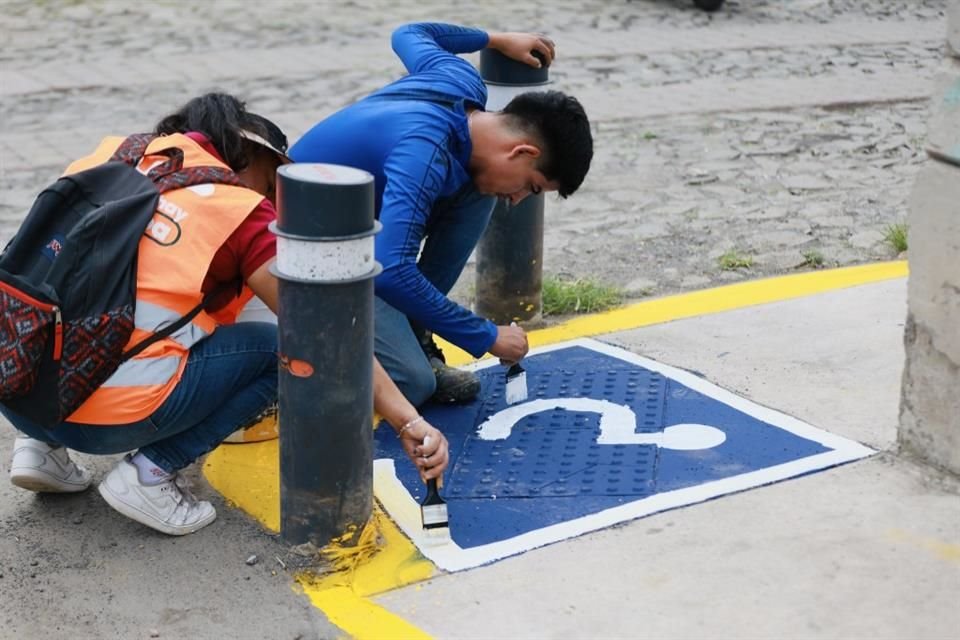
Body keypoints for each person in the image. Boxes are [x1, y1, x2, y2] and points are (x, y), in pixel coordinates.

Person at [1, 93, 448, 536]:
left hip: (18, 391)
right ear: (248, 155)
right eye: (271, 185)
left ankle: (39, 449)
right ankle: (150, 474)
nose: (272, 204)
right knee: (281, 350)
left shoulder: (112, 156)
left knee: (72, 289)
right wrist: (408, 420)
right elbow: (323, 334)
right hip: (103, 424)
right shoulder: (238, 209)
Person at [289, 22, 593, 407]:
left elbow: (410, 34)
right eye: (530, 187)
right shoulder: (423, 151)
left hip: (359, 236)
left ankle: (411, 331)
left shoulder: (458, 82)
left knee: (480, 190)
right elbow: (391, 269)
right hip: (303, 252)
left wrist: (496, 40)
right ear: (522, 152)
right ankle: (310, 345)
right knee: (413, 384)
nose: (517, 200)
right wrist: (485, 335)